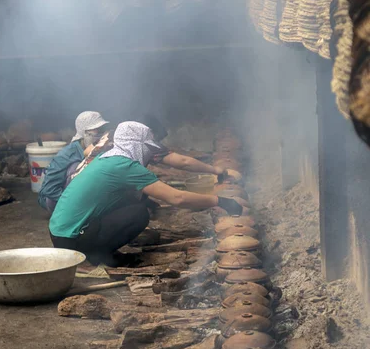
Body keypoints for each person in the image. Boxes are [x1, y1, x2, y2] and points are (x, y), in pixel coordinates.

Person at [49, 121, 242, 266]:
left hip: (61, 232)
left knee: (137, 201)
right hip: (71, 241)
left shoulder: (109, 157)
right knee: (138, 214)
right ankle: (97, 257)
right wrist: (219, 200)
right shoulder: (124, 166)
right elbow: (177, 197)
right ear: (137, 144)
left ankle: (97, 251)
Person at [38, 111, 110, 215]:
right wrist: (74, 203)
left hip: (79, 198)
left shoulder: (100, 150)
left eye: (101, 130)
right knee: (77, 167)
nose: (100, 134)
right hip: (54, 199)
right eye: (96, 130)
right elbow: (49, 190)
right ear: (84, 133)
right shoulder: (66, 155)